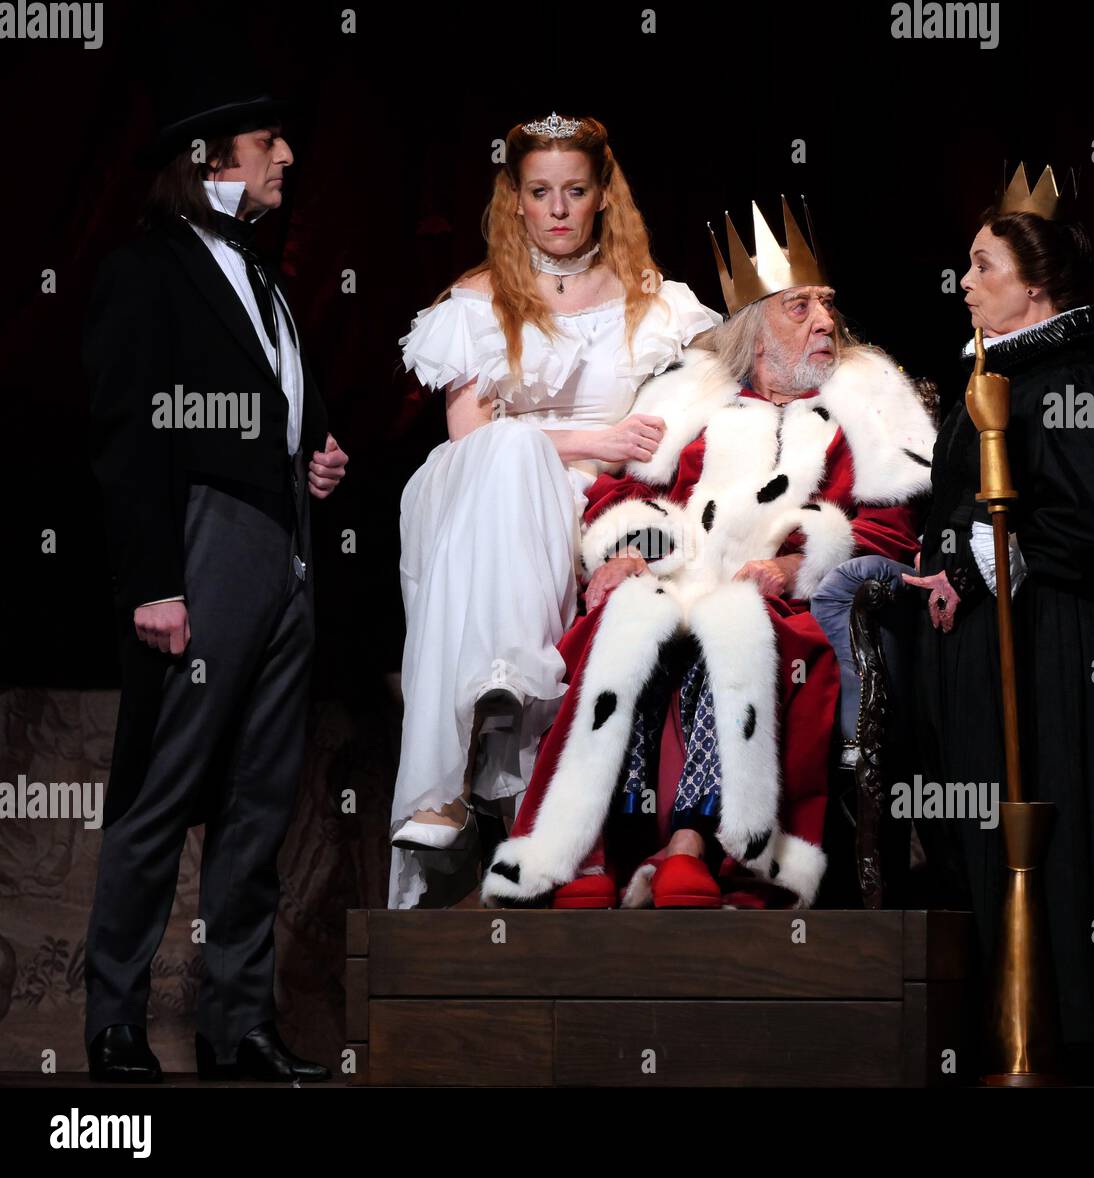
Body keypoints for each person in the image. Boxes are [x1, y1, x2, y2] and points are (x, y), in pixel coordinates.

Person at [480, 199, 936, 909]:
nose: (825, 323)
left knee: (734, 626)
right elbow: (618, 501)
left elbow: (889, 531)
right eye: (800, 308)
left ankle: (696, 844)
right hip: (680, 581)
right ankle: (590, 851)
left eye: (827, 307)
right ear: (755, 331)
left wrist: (799, 564)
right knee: (630, 618)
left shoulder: (866, 408)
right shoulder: (691, 402)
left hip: (789, 605)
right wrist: (631, 550)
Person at [82, 69, 347, 1082]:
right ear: (211, 160)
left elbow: (285, 410)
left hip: (283, 546)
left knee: (259, 795)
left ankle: (237, 1028)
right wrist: (156, 580)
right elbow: (126, 438)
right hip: (205, 545)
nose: (286, 158)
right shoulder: (147, 272)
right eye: (269, 141)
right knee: (164, 787)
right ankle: (114, 1021)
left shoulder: (268, 279)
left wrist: (314, 451)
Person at [389, 113, 722, 908]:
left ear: (605, 194)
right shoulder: (475, 300)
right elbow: (472, 435)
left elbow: (697, 427)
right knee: (507, 455)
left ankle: (495, 737)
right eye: (541, 193)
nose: (560, 210)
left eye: (576, 191)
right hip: (484, 497)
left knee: (527, 457)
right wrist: (596, 435)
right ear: (515, 199)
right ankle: (473, 731)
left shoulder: (658, 304)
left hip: (601, 505)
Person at [901, 165, 1094, 1063]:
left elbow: (1092, 513)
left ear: (1035, 284)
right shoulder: (993, 372)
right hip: (986, 639)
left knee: (1055, 822)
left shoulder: (1072, 371)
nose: (967, 282)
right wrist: (948, 559)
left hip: (1053, 645)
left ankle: (1081, 1032)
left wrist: (997, 555)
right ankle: (1003, 1025)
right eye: (966, 264)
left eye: (984, 266)